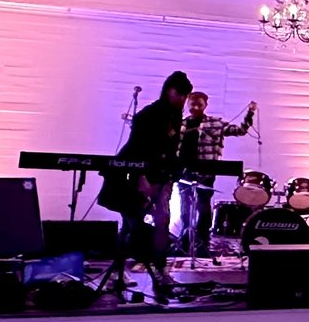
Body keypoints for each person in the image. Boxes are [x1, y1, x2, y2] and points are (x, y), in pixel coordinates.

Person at [101, 70, 189, 299]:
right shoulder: (149, 114)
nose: (183, 100)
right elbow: (138, 149)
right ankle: (124, 272)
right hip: (130, 175)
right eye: (180, 94)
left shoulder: (175, 115)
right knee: (134, 224)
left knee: (160, 221)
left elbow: (169, 150)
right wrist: (142, 179)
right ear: (169, 91)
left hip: (159, 174)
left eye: (185, 96)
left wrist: (170, 177)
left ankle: (159, 270)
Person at [172, 90, 255, 257]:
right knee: (185, 209)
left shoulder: (215, 123)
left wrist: (250, 113)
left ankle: (202, 243)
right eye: (192, 104)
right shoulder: (180, 124)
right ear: (188, 105)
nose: (195, 107)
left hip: (206, 173)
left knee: (203, 208)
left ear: (205, 105)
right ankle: (185, 242)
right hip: (184, 172)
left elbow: (239, 130)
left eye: (199, 104)